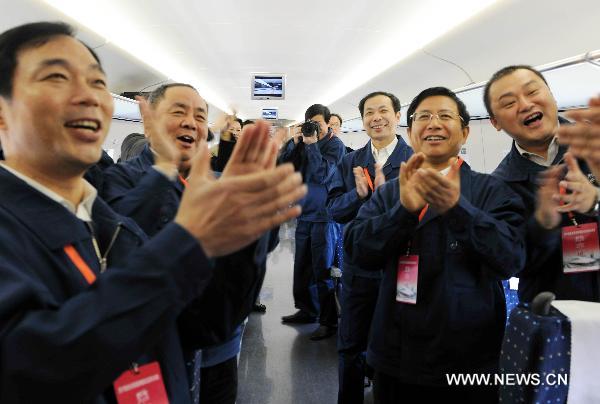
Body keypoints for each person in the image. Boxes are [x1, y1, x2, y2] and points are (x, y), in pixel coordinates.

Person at [0, 21, 306, 403]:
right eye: (57, 77)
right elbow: (33, 367)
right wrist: (188, 242)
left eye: (97, 82)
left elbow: (203, 326)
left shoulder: (108, 223)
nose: (89, 96)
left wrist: (245, 236)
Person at [344, 87, 525, 403]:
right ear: (412, 133)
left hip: (470, 358)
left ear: (465, 132)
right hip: (397, 355)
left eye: (445, 116)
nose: (433, 123)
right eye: (423, 117)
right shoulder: (390, 193)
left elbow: (510, 259)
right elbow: (357, 252)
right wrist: (403, 212)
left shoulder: (493, 190)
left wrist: (457, 208)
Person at [485, 65, 600, 302]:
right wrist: (543, 225)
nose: (526, 105)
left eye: (532, 92)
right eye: (509, 103)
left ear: (552, 96)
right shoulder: (498, 186)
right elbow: (512, 265)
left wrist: (596, 201)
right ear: (495, 123)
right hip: (557, 317)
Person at [327, 91, 412, 404]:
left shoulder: (416, 162)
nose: (377, 117)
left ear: (397, 116)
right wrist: (358, 196)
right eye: (369, 113)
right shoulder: (350, 162)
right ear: (362, 121)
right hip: (359, 268)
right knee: (350, 345)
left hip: (403, 268)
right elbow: (334, 209)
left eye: (383, 111)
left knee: (397, 346)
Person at [280, 104, 346, 340]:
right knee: (303, 266)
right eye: (310, 122)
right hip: (304, 212)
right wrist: (294, 143)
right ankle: (308, 310)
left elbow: (322, 174)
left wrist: (312, 145)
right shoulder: (304, 141)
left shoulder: (335, 145)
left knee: (322, 269)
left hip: (325, 216)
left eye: (318, 123)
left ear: (328, 123)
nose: (314, 127)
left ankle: (329, 322)